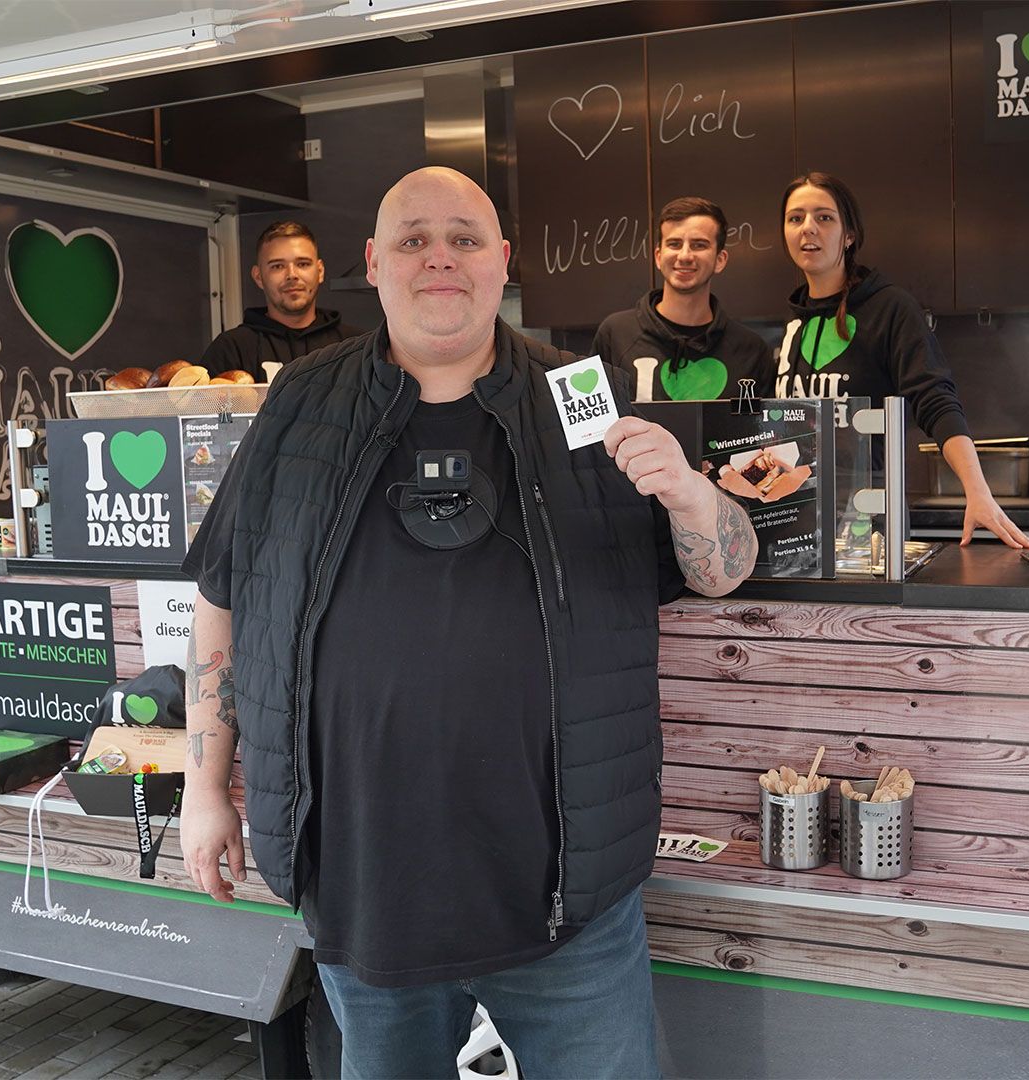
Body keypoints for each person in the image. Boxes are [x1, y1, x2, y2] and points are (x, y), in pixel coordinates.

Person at [178, 166, 756, 1079]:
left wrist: (690, 496)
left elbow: (719, 571)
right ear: (372, 263)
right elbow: (221, 595)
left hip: (566, 893)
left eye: (464, 239)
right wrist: (204, 788)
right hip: (365, 886)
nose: (439, 259)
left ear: (502, 263)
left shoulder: (581, 395)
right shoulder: (299, 404)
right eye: (413, 240)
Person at [775, 171, 1029, 548]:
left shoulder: (889, 308)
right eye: (795, 218)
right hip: (798, 513)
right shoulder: (794, 322)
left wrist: (977, 490)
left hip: (868, 515)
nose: (808, 228)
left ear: (849, 235)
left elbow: (935, 398)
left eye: (824, 217)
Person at [590, 196, 776, 401]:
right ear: (659, 257)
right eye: (674, 244)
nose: (685, 255)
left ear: (720, 260)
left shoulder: (751, 350)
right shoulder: (615, 334)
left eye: (699, 245)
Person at [200, 220, 362, 384]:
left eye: (303, 264)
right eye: (277, 266)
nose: (292, 275)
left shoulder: (357, 346)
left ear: (320, 271)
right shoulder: (231, 349)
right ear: (258, 277)